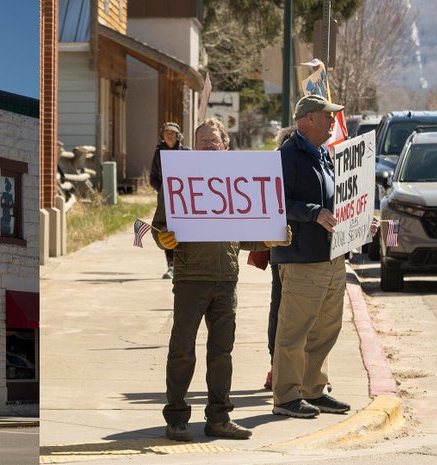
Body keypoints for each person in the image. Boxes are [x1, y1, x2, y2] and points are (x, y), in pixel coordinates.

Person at [152, 117, 284, 442]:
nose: (209, 145)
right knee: (182, 350)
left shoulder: (235, 183)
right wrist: (162, 238)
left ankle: (219, 418)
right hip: (189, 280)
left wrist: (268, 239)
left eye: (214, 140)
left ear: (226, 145)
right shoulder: (178, 181)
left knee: (222, 353)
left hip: (226, 282)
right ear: (194, 146)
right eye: (203, 141)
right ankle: (177, 420)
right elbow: (159, 226)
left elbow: (241, 237)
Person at [272, 95, 377, 419]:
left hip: (331, 257)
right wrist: (313, 212)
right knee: (294, 331)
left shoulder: (323, 155)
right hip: (301, 257)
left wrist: (360, 221)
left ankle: (313, 390)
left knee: (324, 329)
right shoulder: (288, 155)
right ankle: (286, 396)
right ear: (307, 120)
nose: (333, 122)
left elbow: (338, 201)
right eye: (327, 116)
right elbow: (275, 200)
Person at [259, 126, 298, 390]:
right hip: (282, 252)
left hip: (310, 253)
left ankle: (308, 368)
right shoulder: (273, 171)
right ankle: (276, 366)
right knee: (280, 308)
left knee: (304, 314)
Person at [149, 122, 191, 279]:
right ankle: (171, 265)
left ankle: (183, 264)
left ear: (178, 136)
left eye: (172, 133)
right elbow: (152, 178)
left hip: (186, 197)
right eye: (166, 133)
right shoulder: (159, 153)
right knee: (166, 231)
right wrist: (165, 190)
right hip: (167, 199)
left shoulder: (186, 152)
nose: (169, 135)